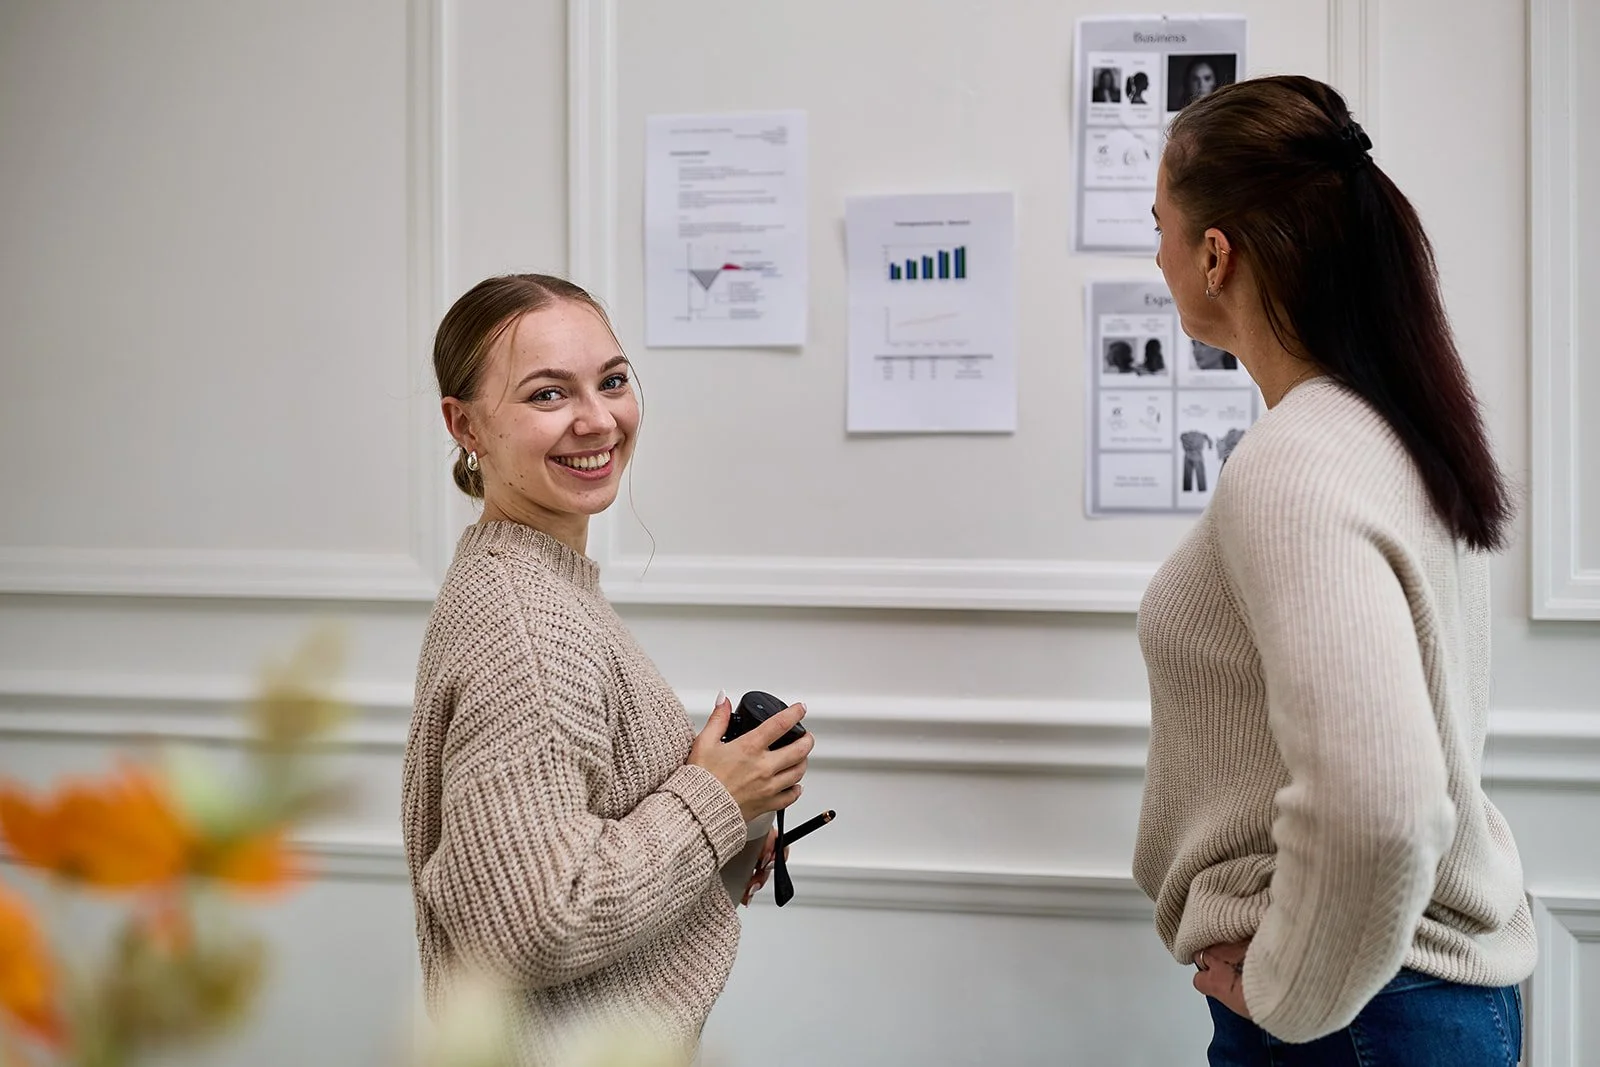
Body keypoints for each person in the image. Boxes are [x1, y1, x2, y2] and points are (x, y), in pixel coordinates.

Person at [1135, 75, 1533, 1066]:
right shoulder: (1385, 429)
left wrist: (1289, 995)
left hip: (1356, 1021)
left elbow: (1379, 803)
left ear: (1213, 254)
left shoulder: (1293, 461)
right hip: (1404, 1004)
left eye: (1159, 227)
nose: (1155, 256)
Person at [402, 274, 814, 1062]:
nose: (598, 419)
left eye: (613, 381)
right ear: (466, 425)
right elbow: (534, 919)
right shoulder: (522, 622)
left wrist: (720, 841)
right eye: (548, 394)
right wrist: (710, 801)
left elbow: (565, 849)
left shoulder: (535, 583)